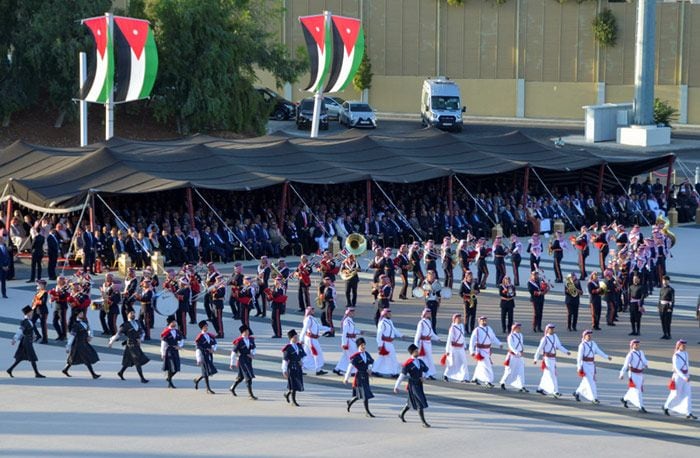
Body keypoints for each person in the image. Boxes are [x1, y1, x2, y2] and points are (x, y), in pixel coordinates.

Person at [394, 344, 431, 428]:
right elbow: (401, 376)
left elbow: (427, 371)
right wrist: (396, 386)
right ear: (412, 352)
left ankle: (401, 414)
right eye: (416, 351)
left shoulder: (420, 361)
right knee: (419, 402)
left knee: (410, 402)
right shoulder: (407, 364)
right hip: (413, 385)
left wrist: (424, 377)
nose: (418, 352)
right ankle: (423, 422)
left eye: (417, 350)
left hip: (419, 384)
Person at [109, 310, 150, 383]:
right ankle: (142, 378)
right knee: (137, 361)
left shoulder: (138, 322)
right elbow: (118, 334)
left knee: (129, 360)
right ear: (127, 315)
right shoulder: (125, 325)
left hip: (136, 344)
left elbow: (142, 332)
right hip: (131, 344)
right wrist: (111, 342)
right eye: (131, 313)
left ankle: (121, 372)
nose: (133, 314)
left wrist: (141, 339)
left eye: (134, 313)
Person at [6, 305, 46, 378]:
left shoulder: (29, 321)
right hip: (26, 341)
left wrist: (34, 336)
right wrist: (14, 339)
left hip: (28, 340)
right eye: (31, 312)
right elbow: (20, 331)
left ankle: (10, 369)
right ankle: (37, 373)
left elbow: (31, 330)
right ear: (28, 313)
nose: (32, 313)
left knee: (20, 357)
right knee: (32, 357)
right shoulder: (24, 322)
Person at [573, 330, 611, 404]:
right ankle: (594, 398)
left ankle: (576, 393)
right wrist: (579, 367)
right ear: (584, 336)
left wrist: (606, 357)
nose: (590, 336)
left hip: (592, 365)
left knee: (586, 381)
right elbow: (579, 357)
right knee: (590, 382)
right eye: (588, 335)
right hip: (585, 364)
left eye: (590, 335)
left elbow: (598, 351)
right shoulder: (582, 345)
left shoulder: (593, 343)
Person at [533, 323, 570, 398]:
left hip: (553, 358)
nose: (552, 330)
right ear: (547, 330)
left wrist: (566, 351)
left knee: (546, 374)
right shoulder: (545, 338)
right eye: (550, 329)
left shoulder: (555, 336)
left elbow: (559, 346)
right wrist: (535, 358)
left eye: (553, 328)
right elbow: (539, 349)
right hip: (547, 358)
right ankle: (555, 391)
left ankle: (540, 388)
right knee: (552, 374)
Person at [62, 309, 101, 379]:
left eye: (82, 313)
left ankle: (65, 369)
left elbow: (89, 329)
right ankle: (93, 374)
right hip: (78, 344)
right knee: (86, 358)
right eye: (81, 313)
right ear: (77, 315)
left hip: (84, 342)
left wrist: (90, 336)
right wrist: (68, 346)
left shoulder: (84, 322)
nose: (82, 314)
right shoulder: (75, 325)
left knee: (73, 357)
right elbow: (72, 336)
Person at [343, 337, 376, 418]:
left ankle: (350, 401)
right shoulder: (356, 357)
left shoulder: (367, 354)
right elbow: (350, 368)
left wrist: (370, 369)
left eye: (364, 345)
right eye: (361, 345)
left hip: (366, 376)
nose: (363, 347)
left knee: (359, 395)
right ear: (358, 346)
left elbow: (371, 362)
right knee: (365, 395)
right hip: (359, 377)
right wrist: (346, 378)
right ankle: (367, 412)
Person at [663, 339, 696, 419]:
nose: (684, 347)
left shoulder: (686, 353)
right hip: (678, 377)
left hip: (685, 377)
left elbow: (687, 365)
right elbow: (677, 369)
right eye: (683, 345)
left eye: (685, 345)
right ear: (679, 346)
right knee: (675, 394)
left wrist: (688, 375)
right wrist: (684, 377)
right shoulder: (676, 355)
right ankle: (666, 406)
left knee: (688, 394)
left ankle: (688, 412)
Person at [469, 316, 502, 387]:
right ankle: (487, 381)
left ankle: (474, 379)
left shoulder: (489, 329)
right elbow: (472, 341)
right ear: (479, 321)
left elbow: (493, 337)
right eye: (482, 321)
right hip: (480, 351)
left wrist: (499, 343)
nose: (484, 322)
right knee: (486, 365)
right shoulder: (477, 330)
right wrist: (472, 351)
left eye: (485, 320)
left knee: (480, 365)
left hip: (487, 350)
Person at [619, 339, 649, 413]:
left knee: (633, 390)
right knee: (638, 390)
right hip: (633, 374)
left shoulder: (641, 352)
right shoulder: (630, 354)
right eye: (635, 344)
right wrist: (622, 374)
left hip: (640, 373)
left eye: (638, 344)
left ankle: (624, 399)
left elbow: (644, 360)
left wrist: (646, 364)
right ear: (632, 345)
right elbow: (625, 365)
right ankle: (641, 406)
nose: (637, 346)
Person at [229, 325, 258, 400]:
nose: (248, 332)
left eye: (248, 331)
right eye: (246, 331)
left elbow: (254, 348)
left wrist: (252, 354)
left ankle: (232, 388)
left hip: (249, 360)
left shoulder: (251, 340)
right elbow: (233, 353)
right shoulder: (239, 341)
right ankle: (250, 394)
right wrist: (232, 363)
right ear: (243, 332)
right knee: (248, 377)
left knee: (241, 377)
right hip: (242, 360)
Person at [301, 307, 330, 375]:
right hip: (311, 339)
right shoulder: (308, 319)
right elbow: (304, 329)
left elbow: (318, 327)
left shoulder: (313, 319)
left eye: (313, 309)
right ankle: (318, 369)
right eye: (312, 310)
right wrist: (301, 339)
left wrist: (328, 329)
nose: (313, 310)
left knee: (306, 354)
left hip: (312, 339)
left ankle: (302, 368)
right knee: (317, 353)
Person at [374, 309, 403, 377]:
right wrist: (380, 345)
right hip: (385, 343)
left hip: (389, 342)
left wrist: (401, 335)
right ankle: (395, 373)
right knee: (393, 357)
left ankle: (374, 370)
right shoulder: (382, 323)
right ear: (385, 314)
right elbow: (379, 334)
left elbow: (394, 329)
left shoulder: (389, 321)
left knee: (381, 358)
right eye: (389, 313)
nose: (390, 315)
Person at [442, 313, 470, 383]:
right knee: (452, 363)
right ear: (455, 319)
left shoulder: (461, 326)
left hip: (461, 348)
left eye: (460, 318)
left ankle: (464, 377)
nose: (460, 319)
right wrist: (447, 350)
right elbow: (449, 339)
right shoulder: (453, 328)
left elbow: (462, 337)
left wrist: (464, 345)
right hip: (454, 348)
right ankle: (446, 375)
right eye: (458, 318)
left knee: (464, 362)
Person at [499, 322, 527, 392]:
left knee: (521, 371)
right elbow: (511, 346)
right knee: (509, 371)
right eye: (518, 327)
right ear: (514, 328)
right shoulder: (510, 336)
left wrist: (522, 350)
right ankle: (503, 382)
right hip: (512, 356)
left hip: (520, 356)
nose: (520, 329)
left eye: (520, 327)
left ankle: (522, 386)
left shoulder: (521, 335)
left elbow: (521, 344)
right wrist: (517, 352)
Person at [282, 329, 306, 407]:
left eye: (297, 337)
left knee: (296, 383)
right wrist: (284, 370)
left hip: (298, 367)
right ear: (291, 338)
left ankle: (287, 394)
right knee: (293, 384)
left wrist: (302, 362)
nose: (297, 339)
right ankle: (293, 401)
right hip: (291, 367)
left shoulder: (299, 345)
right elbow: (285, 360)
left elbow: (303, 355)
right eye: (295, 337)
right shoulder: (288, 348)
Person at [414, 308, 439, 380]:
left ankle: (430, 373)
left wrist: (436, 338)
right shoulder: (421, 323)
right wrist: (416, 345)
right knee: (422, 359)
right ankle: (423, 373)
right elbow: (417, 335)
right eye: (428, 313)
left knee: (429, 358)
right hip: (423, 343)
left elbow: (431, 332)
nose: (430, 314)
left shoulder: (428, 322)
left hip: (428, 343)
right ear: (425, 314)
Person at [194, 320, 218, 394]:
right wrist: (198, 359)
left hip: (209, 354)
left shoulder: (210, 335)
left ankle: (197, 379)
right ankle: (208, 388)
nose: (206, 328)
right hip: (203, 355)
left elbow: (215, 343)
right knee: (207, 371)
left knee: (209, 371)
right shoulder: (199, 337)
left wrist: (213, 349)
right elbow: (198, 348)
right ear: (202, 328)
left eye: (207, 326)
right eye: (205, 327)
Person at [160, 316, 184, 389]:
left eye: (175, 322)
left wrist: (179, 346)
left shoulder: (177, 331)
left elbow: (181, 340)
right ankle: (170, 382)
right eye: (173, 322)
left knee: (176, 367)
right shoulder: (166, 332)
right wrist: (163, 353)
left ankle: (169, 378)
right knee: (171, 367)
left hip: (175, 350)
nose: (174, 323)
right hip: (169, 351)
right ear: (169, 323)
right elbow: (163, 344)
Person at [334, 307, 359, 376]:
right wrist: (344, 343)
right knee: (353, 355)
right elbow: (344, 333)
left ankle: (337, 368)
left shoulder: (350, 320)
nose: (353, 313)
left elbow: (352, 330)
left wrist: (358, 332)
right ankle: (353, 371)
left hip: (352, 339)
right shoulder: (346, 321)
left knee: (345, 356)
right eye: (352, 312)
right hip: (348, 341)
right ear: (349, 313)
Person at [460, 270, 479, 334]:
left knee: (473, 316)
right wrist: (466, 299)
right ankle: (466, 329)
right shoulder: (463, 283)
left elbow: (478, 290)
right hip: (466, 301)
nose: (470, 277)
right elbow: (460, 293)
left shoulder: (475, 283)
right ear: (466, 276)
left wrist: (476, 291)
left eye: (471, 276)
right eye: (469, 276)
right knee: (467, 315)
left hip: (473, 300)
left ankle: (472, 329)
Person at [31, 279, 49, 344]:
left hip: (43, 311)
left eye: (39, 284)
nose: (37, 285)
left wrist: (36, 301)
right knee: (31, 322)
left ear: (42, 285)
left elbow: (43, 302)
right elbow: (34, 301)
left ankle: (45, 339)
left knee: (43, 325)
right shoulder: (38, 292)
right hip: (36, 310)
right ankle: (37, 335)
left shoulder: (44, 292)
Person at [658, 275, 674, 340]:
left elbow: (673, 300)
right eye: (664, 280)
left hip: (667, 307)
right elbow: (660, 298)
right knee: (662, 321)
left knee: (667, 321)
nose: (665, 282)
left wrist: (670, 308)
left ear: (668, 281)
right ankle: (664, 333)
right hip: (661, 307)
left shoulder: (671, 289)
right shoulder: (661, 289)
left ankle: (669, 334)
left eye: (666, 280)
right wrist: (658, 306)